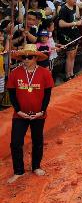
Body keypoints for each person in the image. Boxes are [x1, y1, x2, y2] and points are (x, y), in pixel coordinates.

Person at [8, 44, 53, 183]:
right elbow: (12, 94)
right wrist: (18, 111)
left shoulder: (45, 73)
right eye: (23, 57)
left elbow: (47, 95)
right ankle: (18, 171)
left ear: (36, 58)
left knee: (38, 141)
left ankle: (36, 166)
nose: (26, 59)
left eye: (29, 57)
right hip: (20, 115)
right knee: (15, 143)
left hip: (38, 115)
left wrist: (41, 111)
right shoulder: (14, 73)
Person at [56, 0, 82, 81]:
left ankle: (71, 72)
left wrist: (80, 21)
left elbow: (77, 18)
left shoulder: (75, 7)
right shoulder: (63, 9)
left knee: (74, 54)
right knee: (70, 55)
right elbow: (61, 24)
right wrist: (75, 23)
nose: (75, 0)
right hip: (66, 35)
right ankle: (67, 75)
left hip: (74, 33)